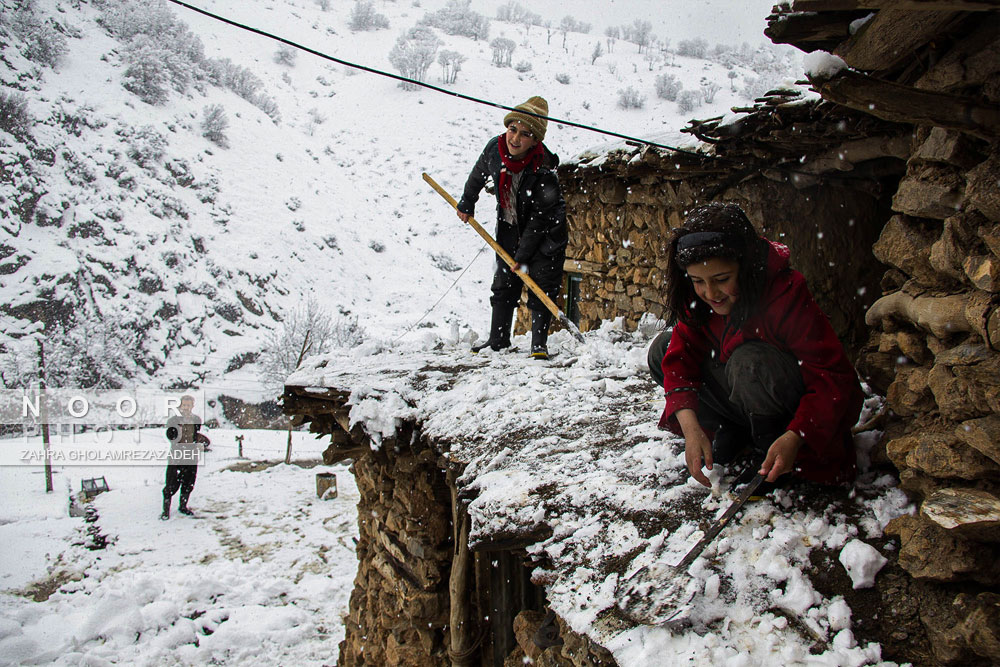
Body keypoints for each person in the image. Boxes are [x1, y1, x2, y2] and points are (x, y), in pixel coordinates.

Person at [654, 202, 862, 493]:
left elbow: (832, 377)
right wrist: (692, 430)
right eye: (698, 281)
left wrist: (796, 434)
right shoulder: (699, 300)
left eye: (722, 280)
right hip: (745, 398)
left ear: (746, 266)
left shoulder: (784, 293)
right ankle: (735, 428)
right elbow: (680, 363)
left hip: (789, 408)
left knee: (748, 362)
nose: (710, 294)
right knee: (662, 350)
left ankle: (773, 455)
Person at [456, 95, 568, 360]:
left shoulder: (544, 170)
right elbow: (478, 174)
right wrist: (467, 201)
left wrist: (522, 255)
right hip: (508, 225)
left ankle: (538, 345)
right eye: (512, 129)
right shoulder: (494, 150)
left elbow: (540, 219)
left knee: (542, 283)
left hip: (546, 235)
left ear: (535, 140)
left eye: (525, 134)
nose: (515, 138)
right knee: (504, 283)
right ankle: (498, 339)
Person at [160, 394, 210, 519]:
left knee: (189, 483)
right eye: (184, 405)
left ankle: (183, 506)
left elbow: (197, 435)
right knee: (171, 484)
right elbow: (170, 437)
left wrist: (199, 444)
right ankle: (165, 511)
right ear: (180, 406)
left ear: (192, 406)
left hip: (191, 456)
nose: (186, 407)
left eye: (189, 405)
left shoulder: (196, 420)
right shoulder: (173, 421)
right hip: (177, 456)